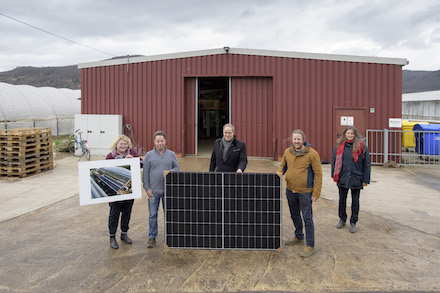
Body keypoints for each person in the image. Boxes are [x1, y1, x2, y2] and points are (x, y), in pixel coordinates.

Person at [276, 129, 322, 257]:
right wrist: (278, 173)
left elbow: (318, 174)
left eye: (299, 139)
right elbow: (283, 166)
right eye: (294, 139)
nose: (296, 141)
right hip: (290, 190)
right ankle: (299, 236)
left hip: (305, 192)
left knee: (307, 218)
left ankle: (310, 245)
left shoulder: (312, 154)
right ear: (292, 140)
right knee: (294, 214)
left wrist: (316, 192)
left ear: (303, 140)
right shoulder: (287, 152)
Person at [105, 135, 143, 249]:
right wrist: (123, 162)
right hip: (115, 191)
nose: (123, 146)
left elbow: (142, 163)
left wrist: (134, 160)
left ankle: (124, 234)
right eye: (121, 144)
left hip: (129, 190)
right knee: (114, 214)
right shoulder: (110, 156)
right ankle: (112, 236)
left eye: (125, 144)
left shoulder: (131, 153)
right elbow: (105, 171)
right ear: (116, 145)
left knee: (127, 213)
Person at [142, 131, 180, 248]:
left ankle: (170, 235)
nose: (160, 143)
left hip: (167, 191)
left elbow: (177, 167)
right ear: (154, 142)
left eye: (162, 141)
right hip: (153, 192)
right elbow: (145, 174)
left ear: (165, 141)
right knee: (153, 214)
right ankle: (152, 236)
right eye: (157, 141)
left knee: (168, 214)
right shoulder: (148, 155)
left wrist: (172, 172)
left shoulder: (171, 154)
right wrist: (147, 188)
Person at [331, 126, 371, 233]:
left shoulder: (362, 146)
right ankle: (342, 219)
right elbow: (334, 160)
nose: (350, 135)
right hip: (343, 177)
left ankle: (353, 222)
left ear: (355, 135)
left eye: (352, 134)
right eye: (348, 133)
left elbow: (366, 163)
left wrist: (365, 179)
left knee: (355, 202)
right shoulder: (339, 145)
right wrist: (334, 174)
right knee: (342, 200)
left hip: (356, 177)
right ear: (345, 134)